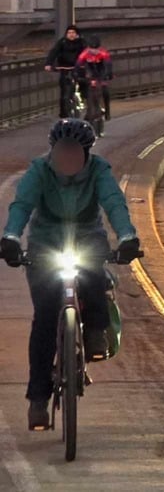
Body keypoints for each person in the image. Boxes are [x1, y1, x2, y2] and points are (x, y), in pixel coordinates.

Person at [0, 119, 141, 430]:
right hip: (45, 242)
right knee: (45, 318)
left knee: (93, 277)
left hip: (87, 236)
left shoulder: (99, 171)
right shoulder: (39, 171)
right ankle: (38, 400)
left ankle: (94, 333)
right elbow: (22, 204)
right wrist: (10, 238)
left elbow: (114, 203)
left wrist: (128, 237)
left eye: (74, 152)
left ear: (86, 153)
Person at [44, 25, 86, 118]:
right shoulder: (62, 42)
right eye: (69, 33)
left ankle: (83, 99)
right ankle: (63, 113)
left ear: (77, 34)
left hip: (78, 68)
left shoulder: (82, 43)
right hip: (64, 68)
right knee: (64, 91)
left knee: (83, 83)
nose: (71, 35)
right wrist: (48, 64)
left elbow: (86, 53)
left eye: (73, 33)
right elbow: (54, 52)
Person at [74, 35, 113, 121]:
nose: (94, 51)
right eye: (92, 49)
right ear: (88, 47)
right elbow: (78, 65)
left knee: (105, 91)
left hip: (101, 71)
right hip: (90, 72)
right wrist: (76, 74)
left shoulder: (104, 53)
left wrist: (108, 75)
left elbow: (108, 65)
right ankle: (89, 108)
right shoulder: (84, 54)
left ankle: (107, 110)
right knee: (86, 87)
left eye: (96, 49)